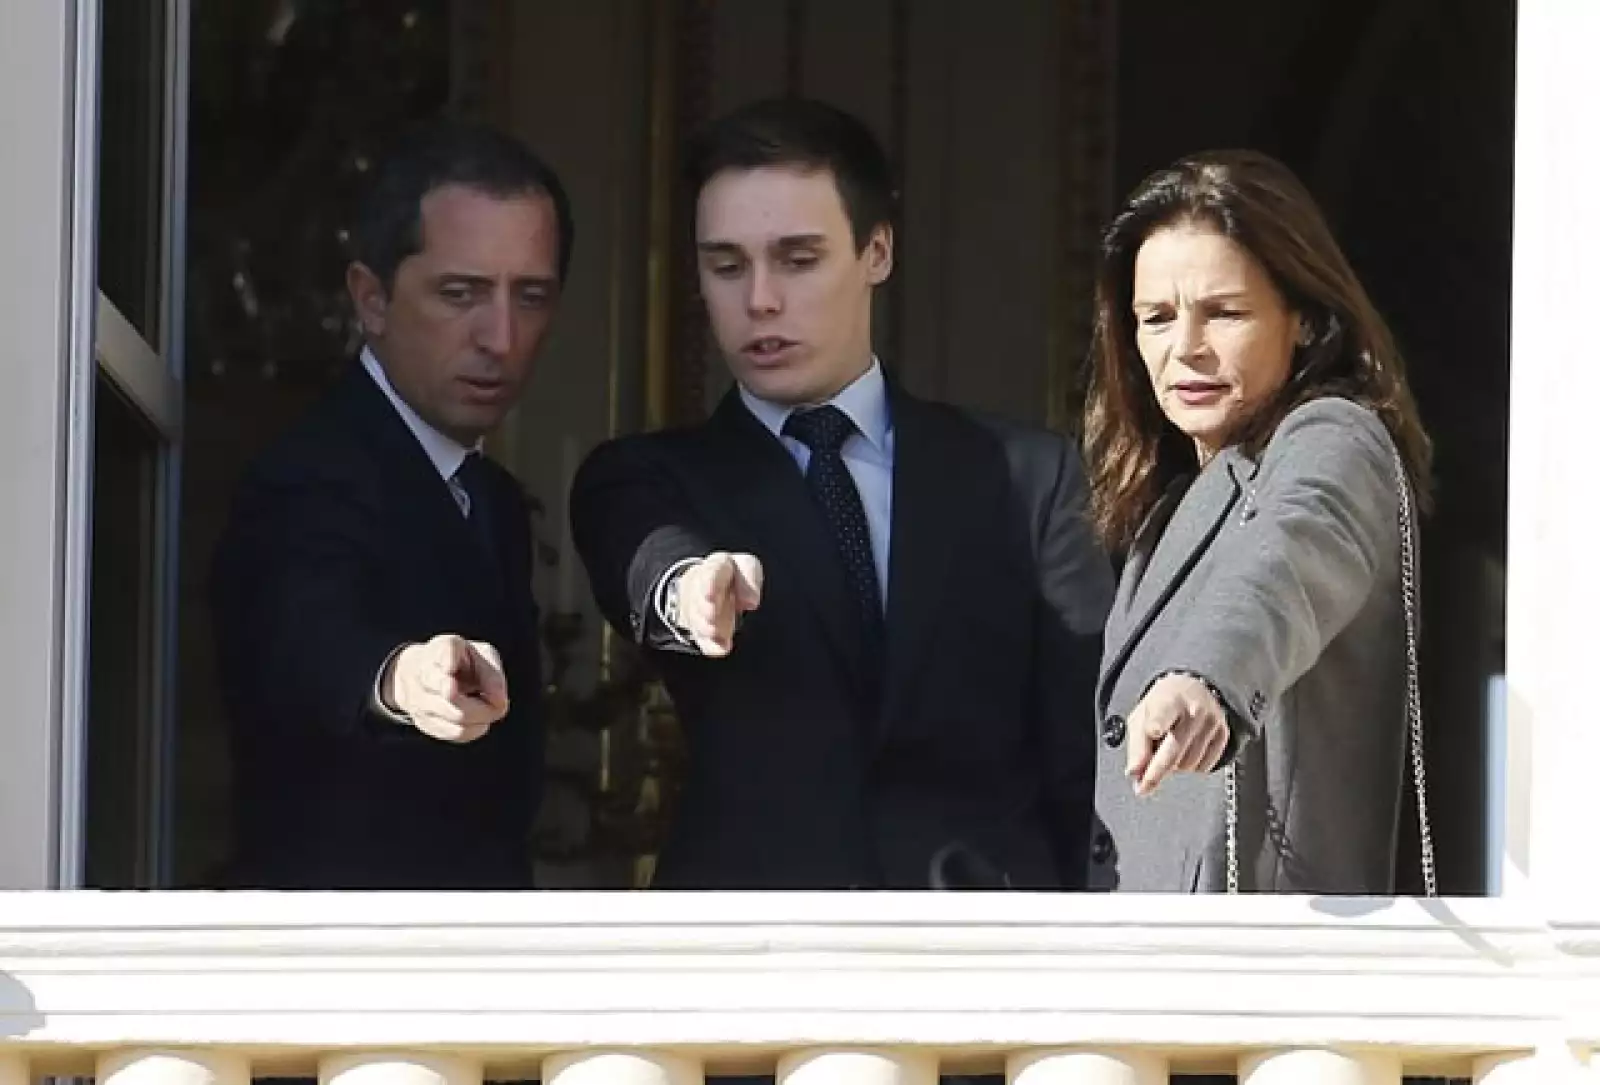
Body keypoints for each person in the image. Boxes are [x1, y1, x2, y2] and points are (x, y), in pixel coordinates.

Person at [570, 97, 1114, 890]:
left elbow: (1084, 752)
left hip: (987, 951)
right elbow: (645, 549)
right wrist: (687, 590)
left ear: (877, 251)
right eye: (726, 265)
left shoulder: (1031, 476)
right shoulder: (651, 475)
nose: (759, 298)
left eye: (797, 259)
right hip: (752, 957)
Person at [210, 120, 574, 889]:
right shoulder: (306, 474)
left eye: (531, 296)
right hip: (339, 973)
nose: (502, 337)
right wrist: (400, 677)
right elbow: (308, 633)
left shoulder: (493, 499)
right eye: (461, 293)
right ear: (370, 299)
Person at [1082, 149, 1432, 893]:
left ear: (1303, 318)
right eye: (1157, 318)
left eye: (1225, 312)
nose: (1186, 349)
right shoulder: (1174, 505)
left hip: (1268, 974)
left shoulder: (1333, 437)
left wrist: (1206, 676)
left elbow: (1294, 553)